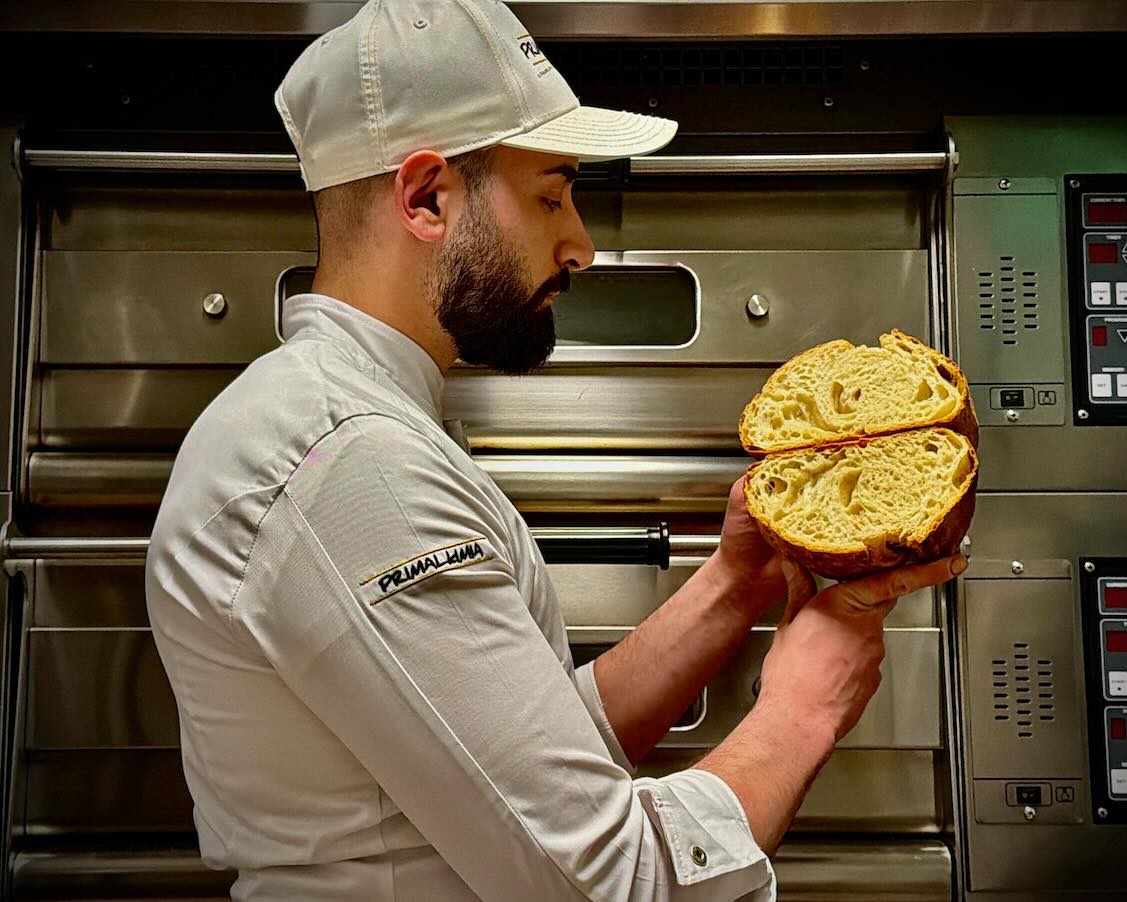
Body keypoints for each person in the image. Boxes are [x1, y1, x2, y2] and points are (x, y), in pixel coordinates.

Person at [145, 1, 968, 899]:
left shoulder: (353, 425)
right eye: (551, 196)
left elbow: (518, 767)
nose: (578, 246)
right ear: (425, 199)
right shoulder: (346, 464)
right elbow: (605, 881)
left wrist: (738, 583)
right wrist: (804, 710)